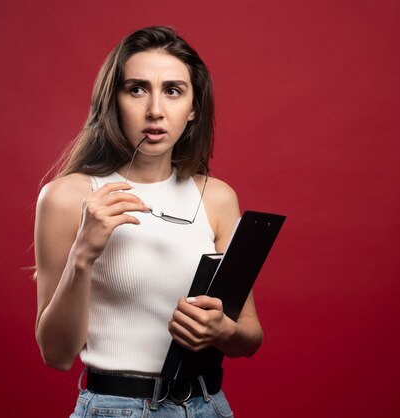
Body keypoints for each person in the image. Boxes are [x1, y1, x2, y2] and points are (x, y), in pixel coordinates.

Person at [34, 26, 263, 417]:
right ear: (113, 101)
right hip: (114, 407)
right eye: (137, 89)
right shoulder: (68, 197)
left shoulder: (217, 197)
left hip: (208, 406)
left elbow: (250, 336)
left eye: (173, 90)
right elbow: (56, 355)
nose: (155, 110)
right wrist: (84, 254)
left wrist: (222, 331)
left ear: (193, 107)